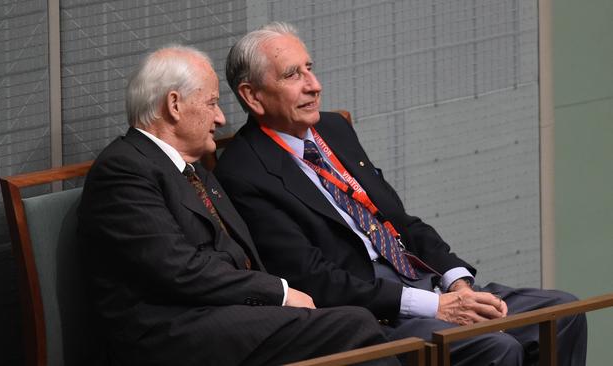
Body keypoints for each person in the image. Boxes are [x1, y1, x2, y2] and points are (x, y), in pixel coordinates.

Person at [214, 21, 587, 366]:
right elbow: (314, 278)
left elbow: (402, 222)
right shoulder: (244, 171)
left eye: (310, 67)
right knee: (495, 346)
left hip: (427, 281)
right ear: (253, 96)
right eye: (293, 75)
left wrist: (458, 282)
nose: (314, 85)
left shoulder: (332, 129)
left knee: (563, 311)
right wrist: (433, 305)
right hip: (375, 312)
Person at [77, 44, 399, 366]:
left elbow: (238, 254)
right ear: (174, 105)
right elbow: (180, 270)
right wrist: (280, 293)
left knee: (369, 329)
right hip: (169, 335)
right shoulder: (124, 170)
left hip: (226, 315)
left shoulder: (194, 169)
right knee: (355, 326)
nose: (220, 118)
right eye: (213, 103)